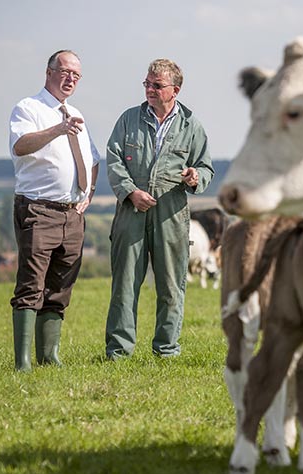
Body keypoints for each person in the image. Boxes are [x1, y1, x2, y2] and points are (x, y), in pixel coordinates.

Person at [104, 58, 213, 359]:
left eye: (157, 85)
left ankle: (166, 350)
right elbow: (113, 161)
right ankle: (119, 351)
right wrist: (130, 192)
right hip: (131, 212)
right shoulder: (128, 120)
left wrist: (195, 177)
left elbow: (205, 168)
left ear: (175, 90)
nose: (149, 89)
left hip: (172, 214)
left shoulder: (192, 126)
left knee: (171, 285)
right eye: (147, 83)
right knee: (125, 283)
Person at [8, 49, 100, 371]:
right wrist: (56, 131)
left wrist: (88, 193)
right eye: (65, 71)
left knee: (60, 286)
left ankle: (49, 356)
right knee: (31, 283)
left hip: (72, 214)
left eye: (76, 75)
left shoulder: (76, 113)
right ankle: (23, 362)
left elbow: (93, 158)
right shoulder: (29, 108)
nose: (70, 78)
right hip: (38, 209)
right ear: (48, 72)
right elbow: (20, 146)